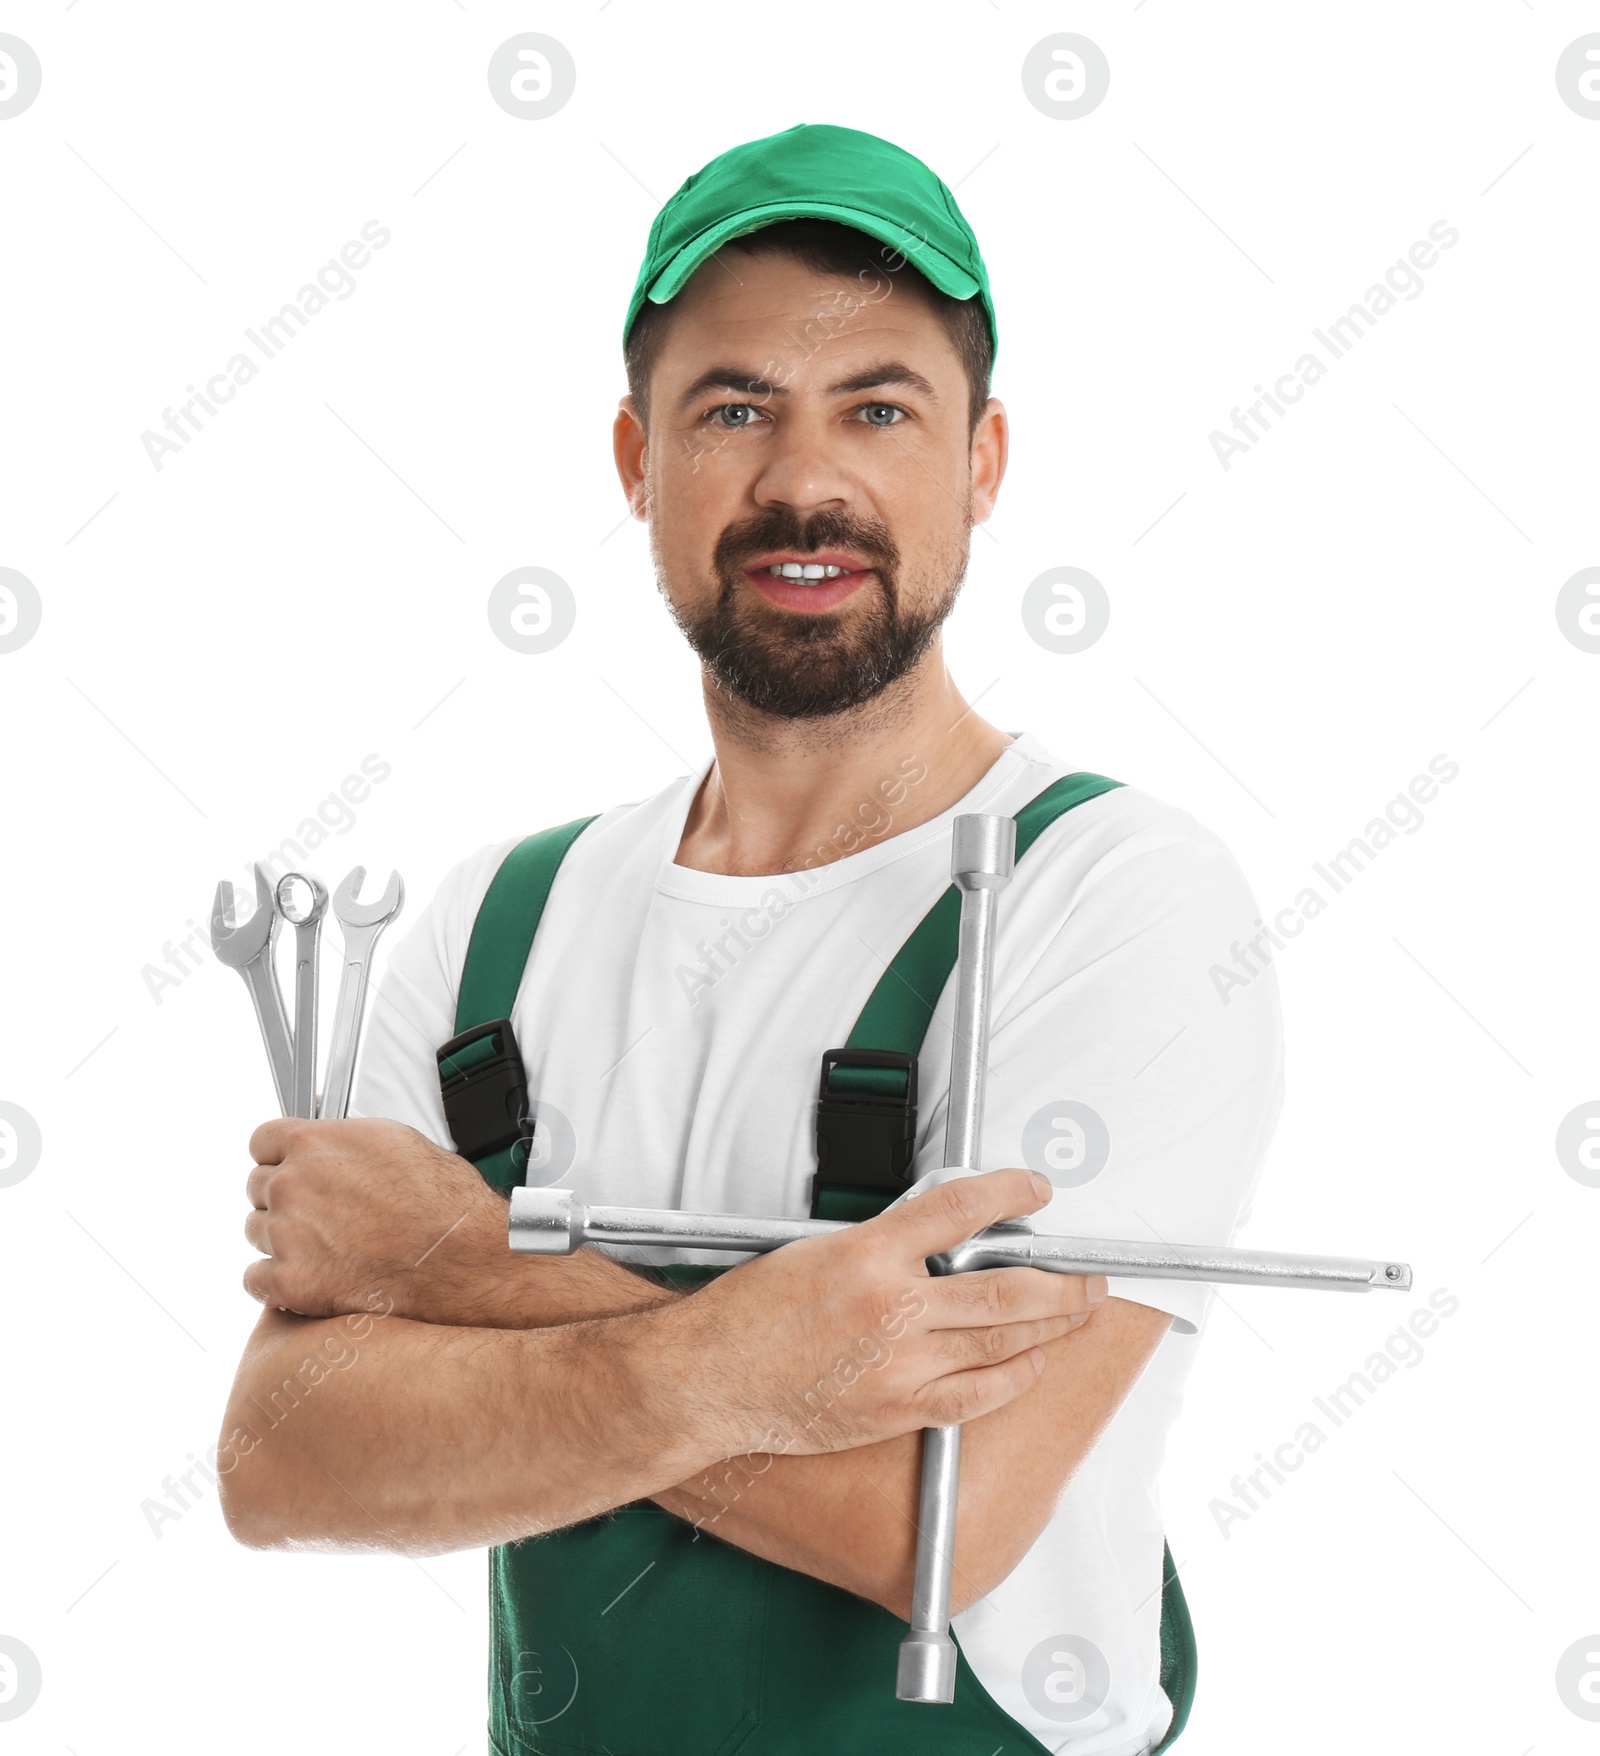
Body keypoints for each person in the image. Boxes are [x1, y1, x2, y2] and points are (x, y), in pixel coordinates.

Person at [220, 123, 1285, 1755]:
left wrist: (455, 1263)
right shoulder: (496, 924)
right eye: (735, 410)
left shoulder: (1118, 895)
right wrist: (767, 1352)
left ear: (981, 463)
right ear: (638, 461)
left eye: (879, 406)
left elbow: (928, 1529)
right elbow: (285, 1461)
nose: (806, 479)